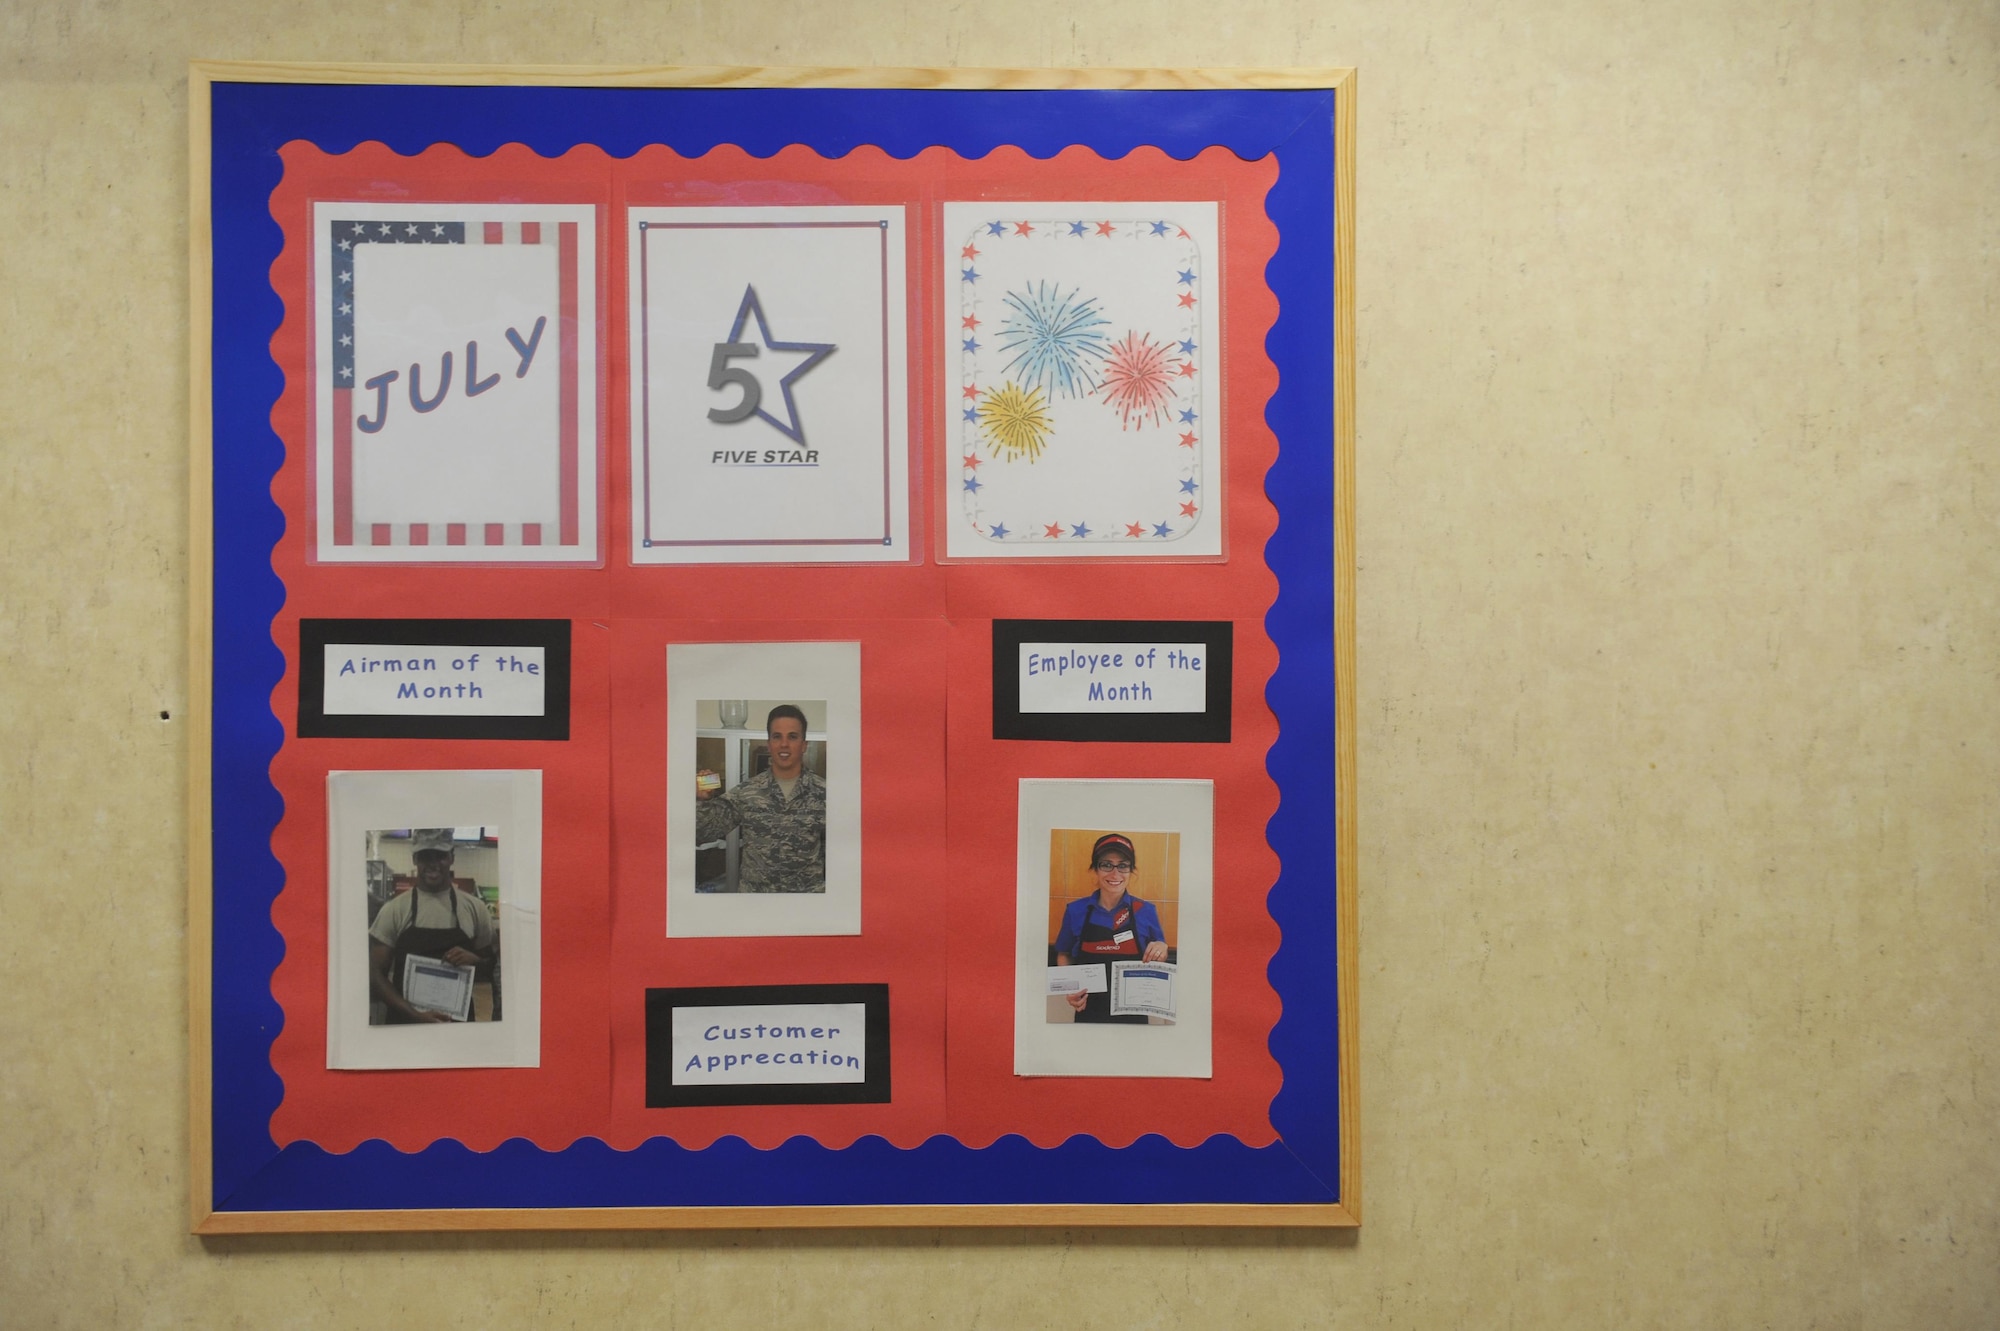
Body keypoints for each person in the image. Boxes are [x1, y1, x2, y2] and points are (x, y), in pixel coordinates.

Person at [368, 829, 497, 1024]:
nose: (433, 863)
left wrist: (476, 960)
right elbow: (375, 975)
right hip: (406, 1025)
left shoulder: (475, 909)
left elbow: (492, 966)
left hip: (456, 1027)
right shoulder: (394, 910)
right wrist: (414, 1014)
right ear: (415, 859)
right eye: (425, 856)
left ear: (452, 857)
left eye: (440, 856)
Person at [695, 704, 827, 893]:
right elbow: (703, 830)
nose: (784, 744)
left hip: (805, 901)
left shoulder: (824, 793)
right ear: (769, 743)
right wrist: (702, 799)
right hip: (756, 901)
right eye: (777, 736)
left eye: (792, 736)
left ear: (804, 745)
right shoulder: (747, 792)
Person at [1051, 833, 1170, 1024]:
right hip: (1088, 1015)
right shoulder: (1075, 910)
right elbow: (1064, 954)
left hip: (1134, 1018)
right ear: (1095, 869)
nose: (1115, 874)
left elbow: (1159, 958)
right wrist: (1070, 988)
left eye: (1123, 866)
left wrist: (1161, 948)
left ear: (1131, 870)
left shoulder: (1146, 910)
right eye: (1106, 865)